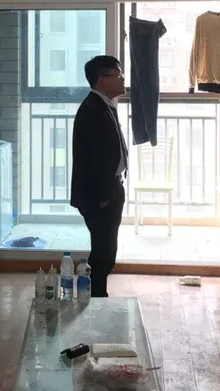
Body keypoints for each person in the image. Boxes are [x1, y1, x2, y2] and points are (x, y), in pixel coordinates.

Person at [70, 55, 128, 298]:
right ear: (102, 80)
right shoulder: (92, 109)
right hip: (100, 194)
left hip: (110, 189)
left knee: (106, 250)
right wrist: (103, 198)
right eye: (118, 74)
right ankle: (93, 299)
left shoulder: (104, 105)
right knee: (103, 253)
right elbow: (89, 159)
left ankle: (95, 297)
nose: (123, 79)